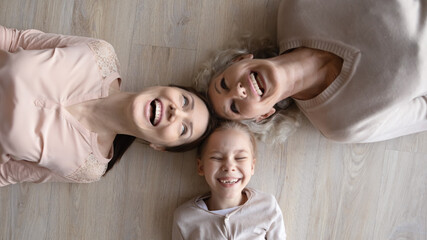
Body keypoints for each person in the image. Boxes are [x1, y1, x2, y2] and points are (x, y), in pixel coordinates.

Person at [0, 25, 216, 187]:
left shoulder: (87, 168)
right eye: (185, 101)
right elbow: (14, 39)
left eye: (183, 128)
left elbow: (5, 174)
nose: (176, 112)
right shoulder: (99, 54)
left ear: (159, 146)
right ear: (167, 87)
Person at [195, 0, 427, 144]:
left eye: (224, 84)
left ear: (240, 60)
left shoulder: (298, 6)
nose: (238, 90)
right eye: (234, 107)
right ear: (264, 115)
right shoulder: (340, 125)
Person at [172, 121, 286, 239]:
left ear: (252, 166)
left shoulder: (267, 206)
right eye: (217, 157)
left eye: (240, 158)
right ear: (201, 167)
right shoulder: (184, 218)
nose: (229, 166)